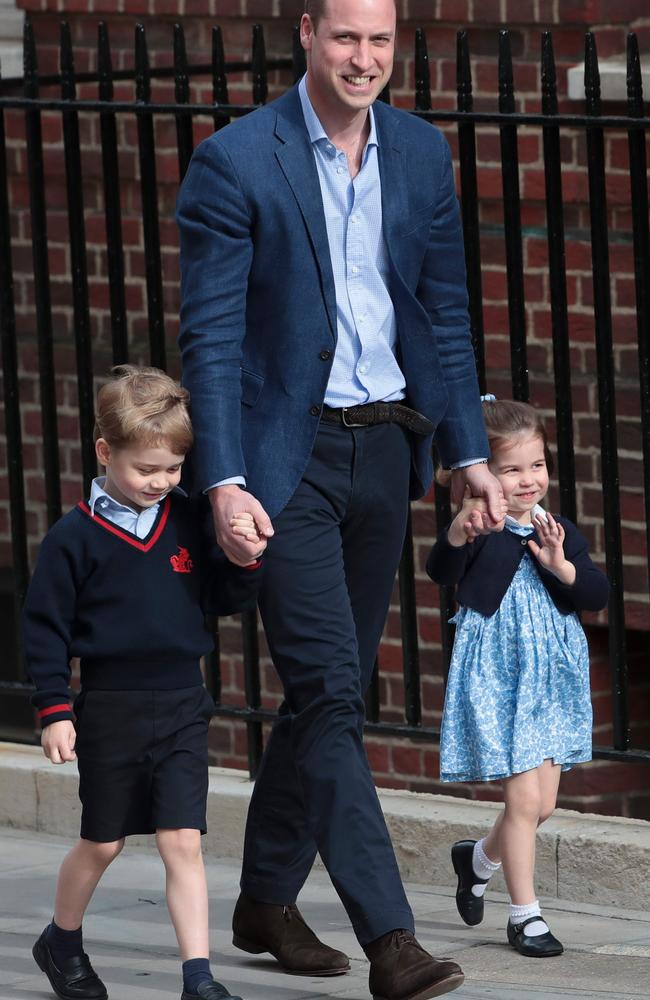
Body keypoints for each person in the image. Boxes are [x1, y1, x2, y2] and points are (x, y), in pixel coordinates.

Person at [176, 1, 505, 997]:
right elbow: (213, 338)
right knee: (326, 692)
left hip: (385, 451)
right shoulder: (237, 161)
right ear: (306, 35)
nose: (364, 59)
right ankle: (390, 940)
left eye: (380, 41)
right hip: (289, 461)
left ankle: (264, 898)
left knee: (333, 688)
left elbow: (443, 309)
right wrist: (224, 479)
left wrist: (467, 449)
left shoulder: (418, 152)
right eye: (345, 37)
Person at [23, 365, 263, 1000]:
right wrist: (54, 709)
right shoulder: (72, 539)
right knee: (101, 844)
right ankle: (61, 940)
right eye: (146, 469)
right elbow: (44, 628)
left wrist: (245, 556)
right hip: (108, 708)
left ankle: (199, 979)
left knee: (182, 841)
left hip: (183, 703)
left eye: (174, 469)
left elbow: (223, 596)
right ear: (105, 453)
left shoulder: (186, 520)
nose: (162, 483)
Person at [426, 398, 610, 958]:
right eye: (511, 469)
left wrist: (561, 565)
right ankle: (524, 916)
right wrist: (460, 531)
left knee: (542, 804)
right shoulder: (481, 525)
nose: (528, 481)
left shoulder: (556, 529)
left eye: (537, 466)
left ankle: (478, 859)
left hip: (551, 673)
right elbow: (441, 571)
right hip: (501, 671)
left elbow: (596, 595)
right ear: (486, 473)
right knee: (525, 802)